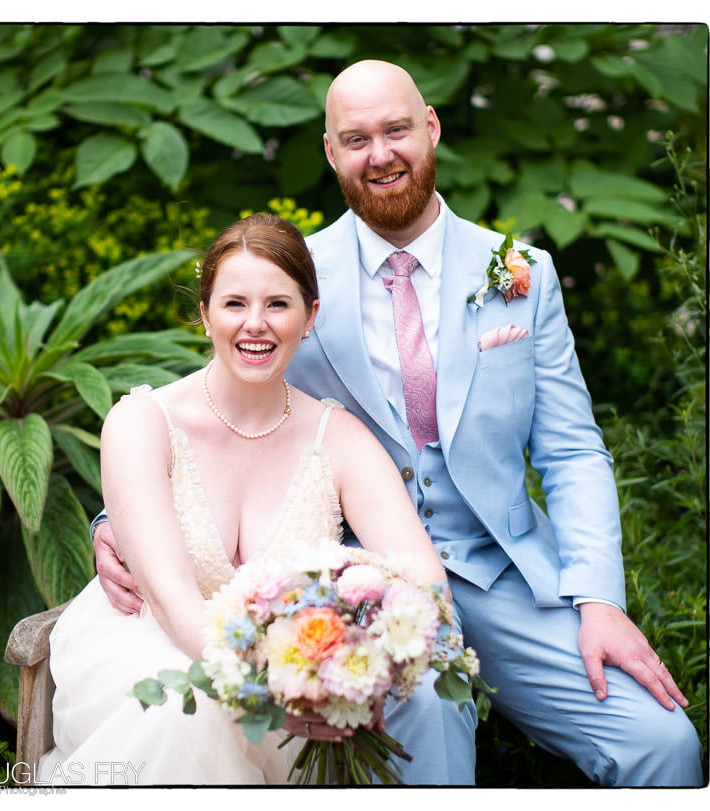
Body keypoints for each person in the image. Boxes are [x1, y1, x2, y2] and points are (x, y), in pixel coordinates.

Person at [93, 60, 703, 786]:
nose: (378, 154)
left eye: (395, 130)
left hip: (502, 572)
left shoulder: (519, 272)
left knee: (664, 743)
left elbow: (572, 451)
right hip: (352, 591)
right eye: (355, 138)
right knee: (418, 734)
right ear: (330, 151)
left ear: (431, 128)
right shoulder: (290, 282)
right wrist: (118, 517)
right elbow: (220, 403)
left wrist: (599, 599)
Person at [37, 212, 457, 786]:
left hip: (299, 674)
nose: (255, 325)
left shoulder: (340, 439)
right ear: (204, 313)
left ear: (310, 316)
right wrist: (268, 693)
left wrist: (350, 673)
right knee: (185, 714)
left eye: (278, 305)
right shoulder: (140, 423)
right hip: (149, 650)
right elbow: (169, 595)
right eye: (234, 304)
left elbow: (423, 581)